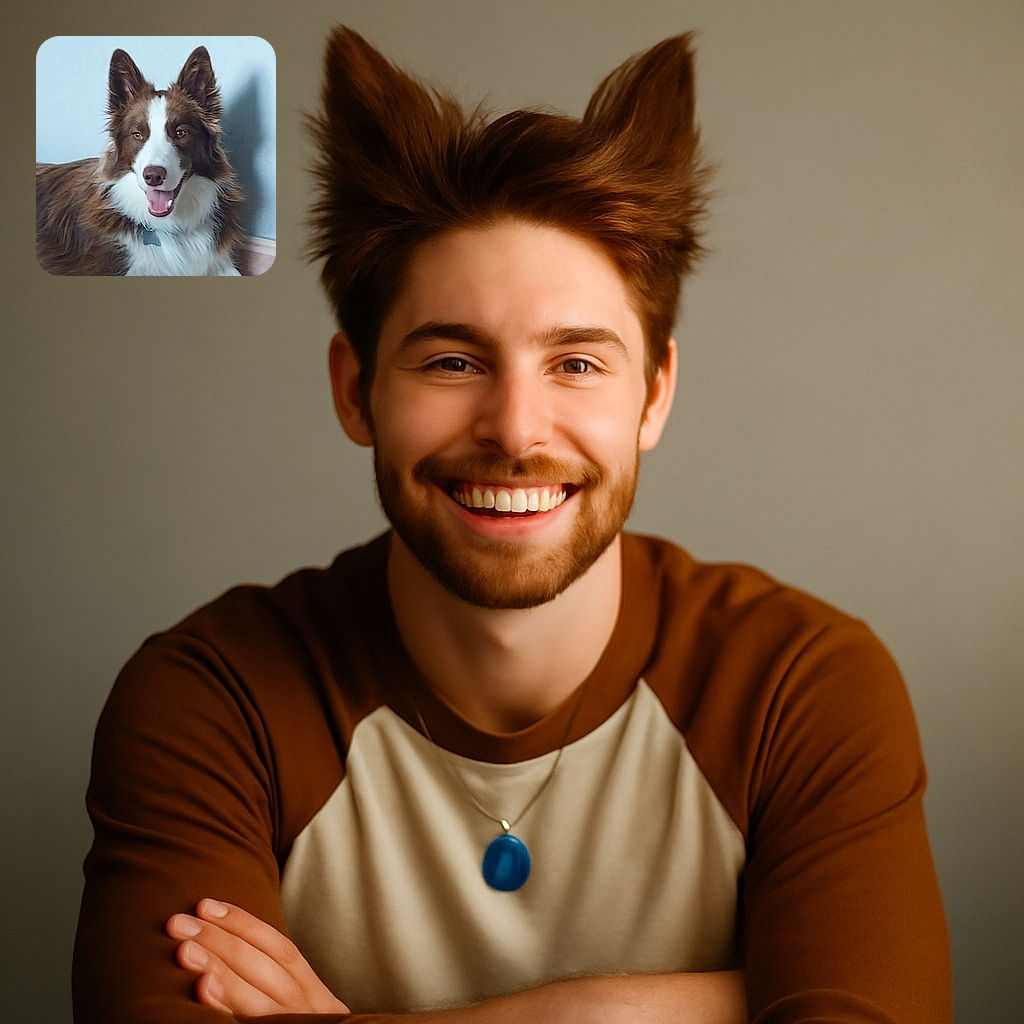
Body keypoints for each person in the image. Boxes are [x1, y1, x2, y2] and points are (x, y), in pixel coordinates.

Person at [72, 26, 952, 1023]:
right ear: (355, 390)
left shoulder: (803, 686)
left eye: (576, 362)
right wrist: (691, 1006)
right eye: (451, 361)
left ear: (653, 397)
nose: (516, 430)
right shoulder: (212, 702)